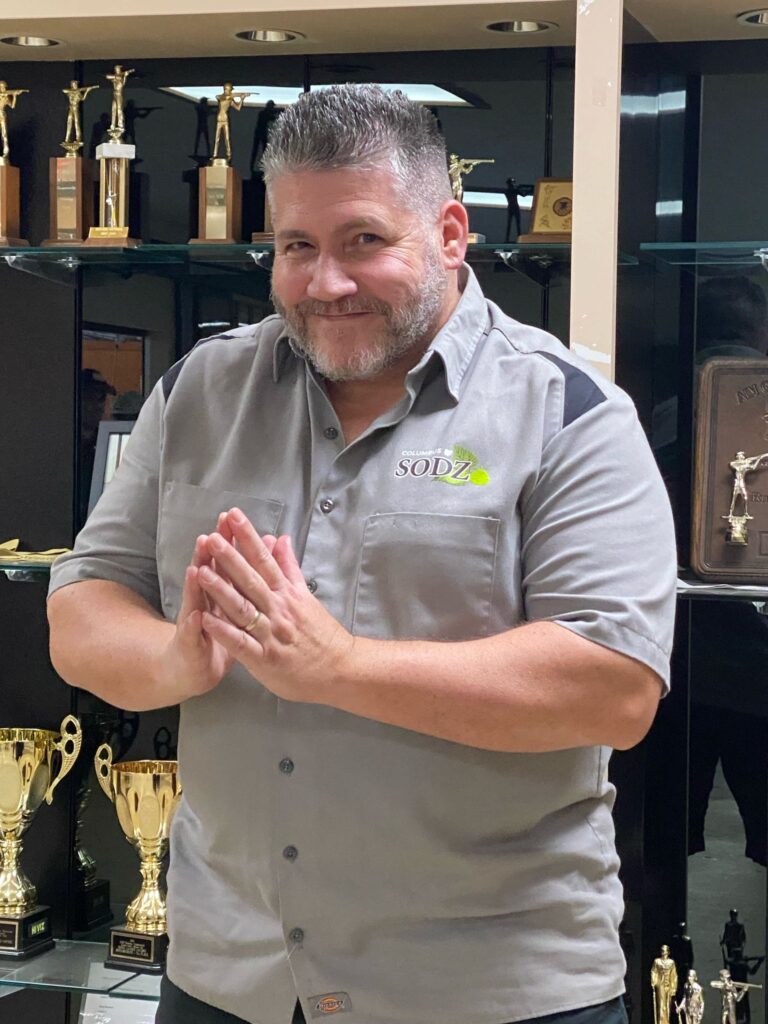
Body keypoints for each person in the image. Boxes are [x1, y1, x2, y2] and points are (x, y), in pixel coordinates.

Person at [47, 85, 677, 1024]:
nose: (323, 281)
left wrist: (340, 668)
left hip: (485, 990)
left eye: (363, 242)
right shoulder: (198, 394)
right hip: (231, 977)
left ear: (451, 233)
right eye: (296, 247)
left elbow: (614, 689)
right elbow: (83, 607)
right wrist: (173, 658)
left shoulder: (569, 412)